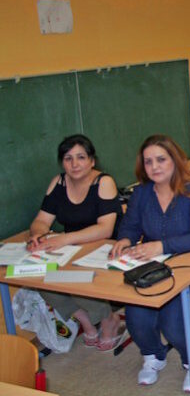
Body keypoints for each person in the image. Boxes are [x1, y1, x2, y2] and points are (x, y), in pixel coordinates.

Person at [110, 135, 190, 393]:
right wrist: (125, 240)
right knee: (136, 312)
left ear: (176, 160)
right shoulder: (141, 193)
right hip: (160, 265)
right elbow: (132, 225)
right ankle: (154, 354)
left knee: (174, 318)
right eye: (148, 162)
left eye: (161, 159)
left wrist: (160, 245)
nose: (154, 167)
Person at [27, 134, 124, 351]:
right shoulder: (58, 182)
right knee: (40, 279)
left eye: (81, 157)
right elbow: (42, 220)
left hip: (104, 246)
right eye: (68, 158)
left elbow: (105, 228)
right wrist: (38, 235)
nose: (74, 164)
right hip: (71, 248)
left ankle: (108, 319)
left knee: (78, 278)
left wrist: (64, 239)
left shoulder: (104, 182)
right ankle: (85, 321)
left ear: (92, 160)